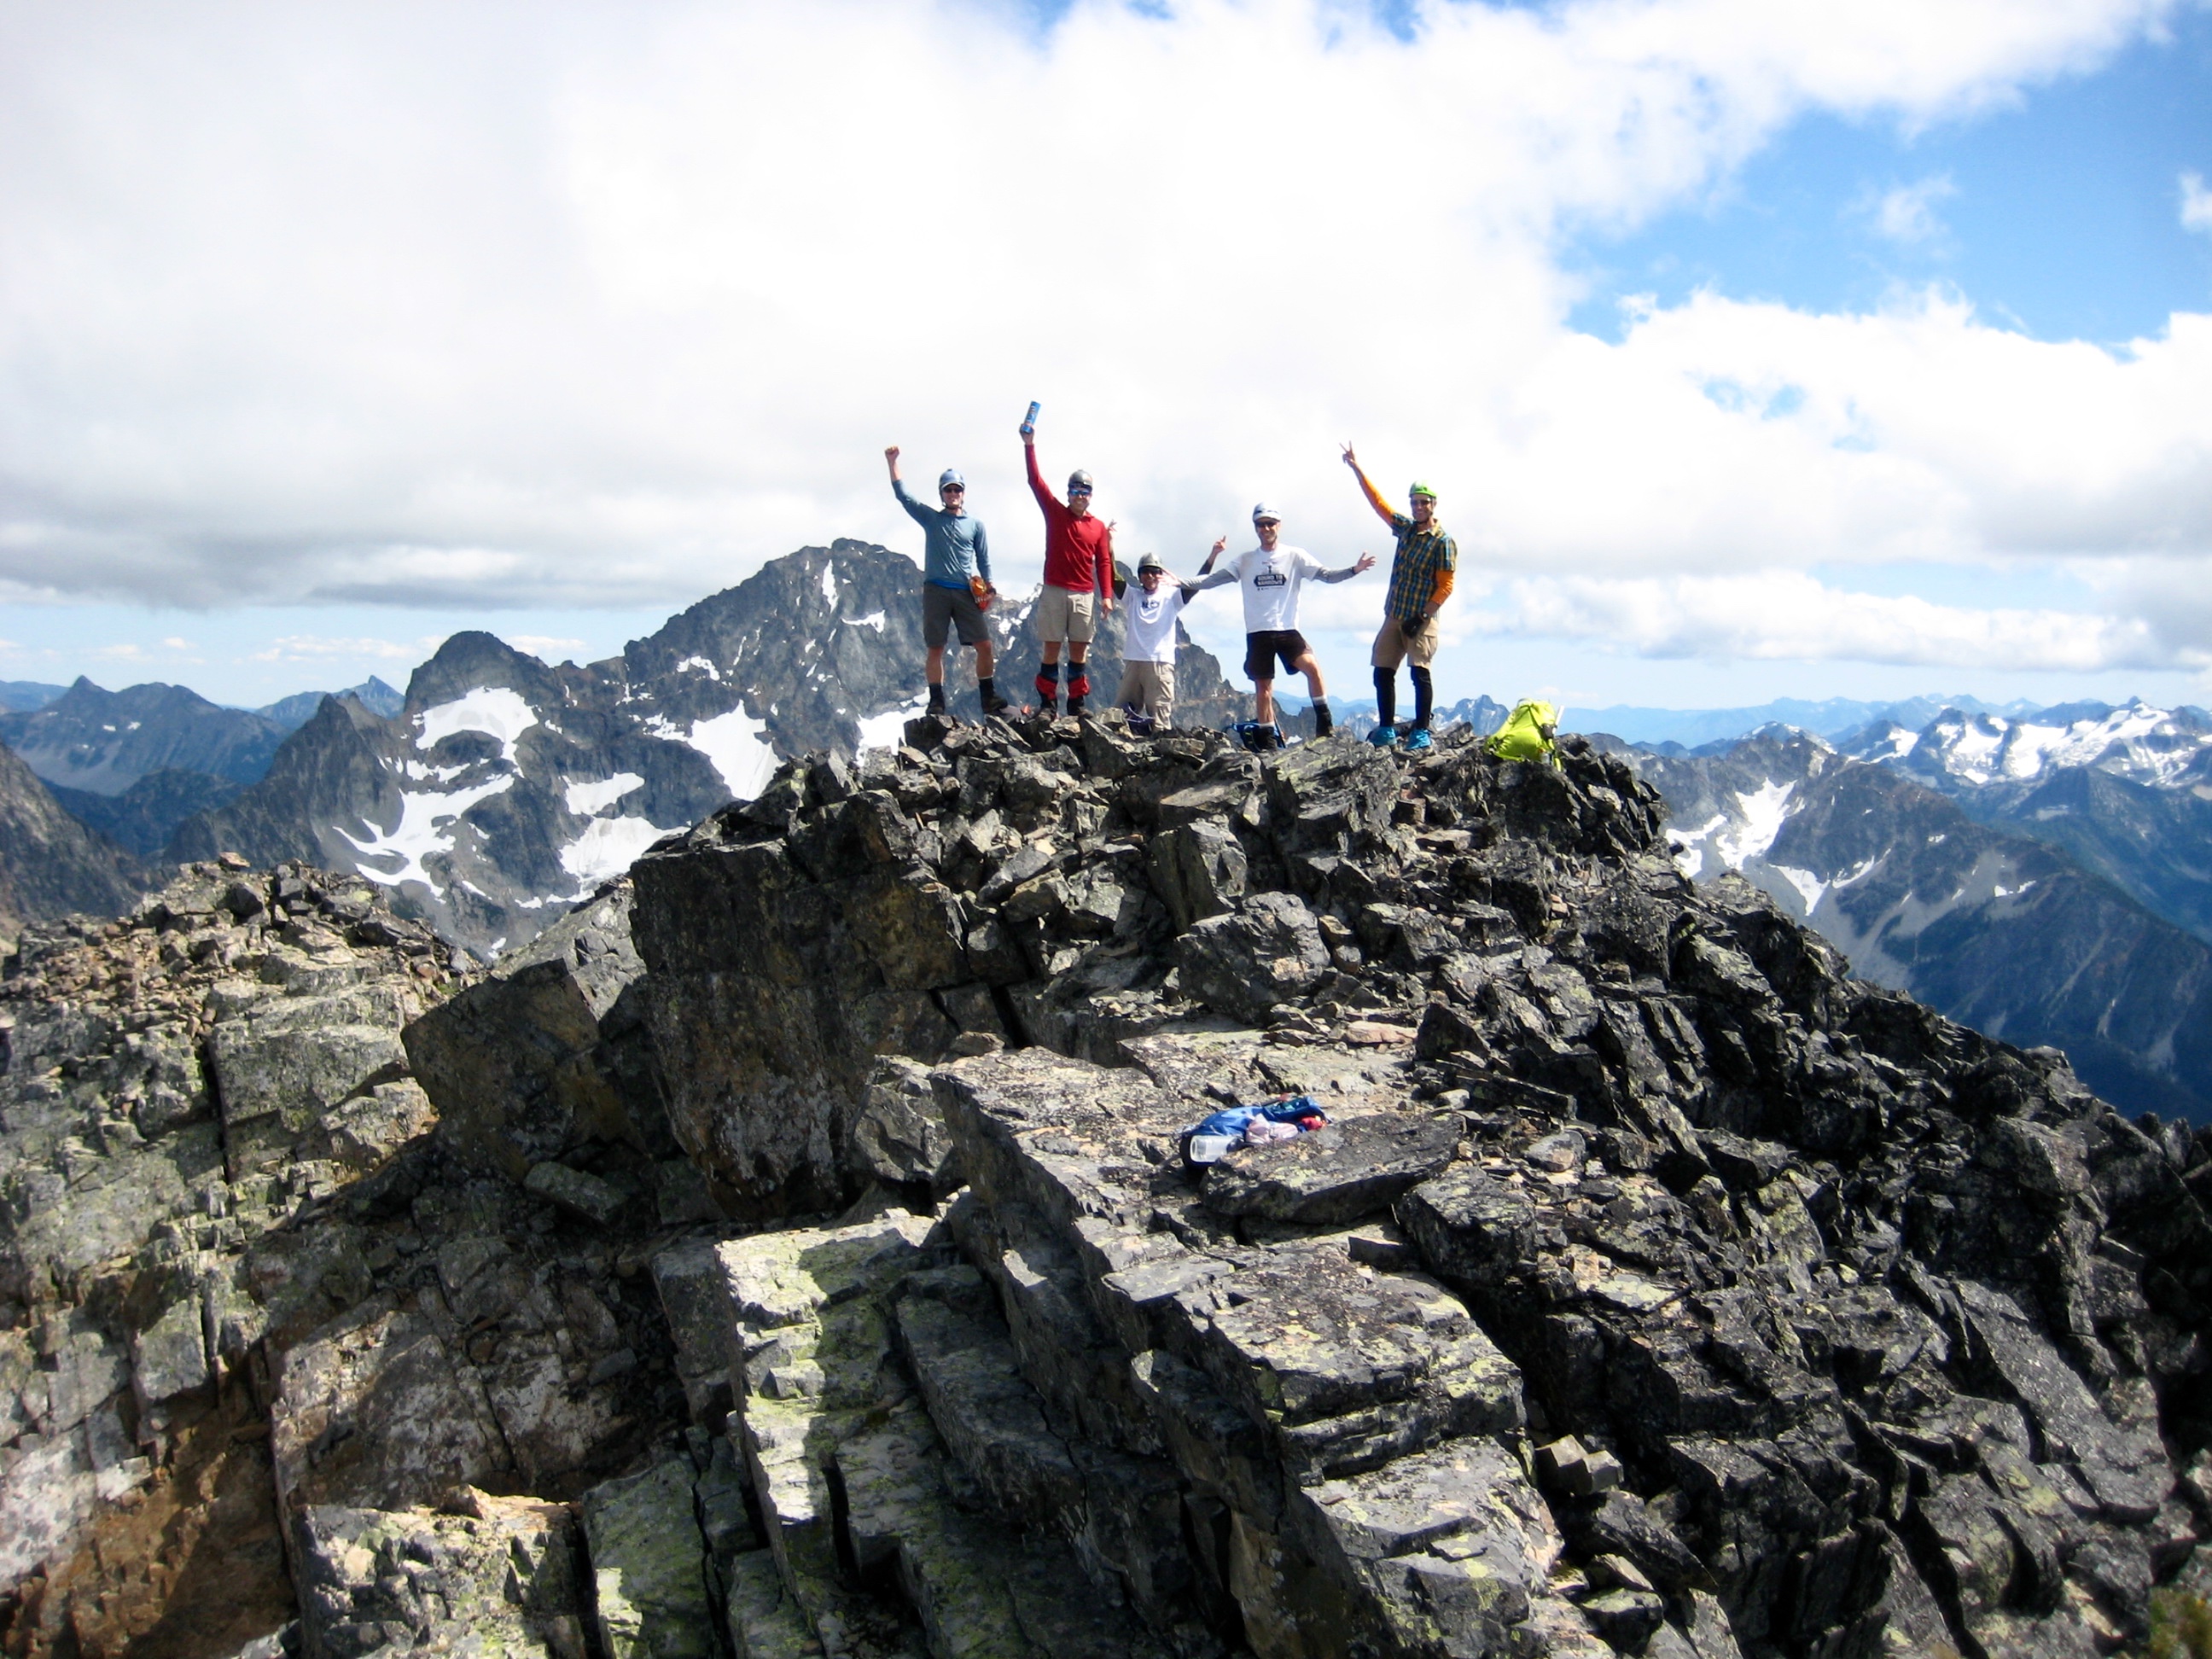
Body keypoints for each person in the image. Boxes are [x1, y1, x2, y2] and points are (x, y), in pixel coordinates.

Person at [1193, 504, 1375, 748]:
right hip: (1258, 632)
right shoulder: (1245, 560)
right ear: (1255, 528)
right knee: (1263, 687)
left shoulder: (1295, 556)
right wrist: (1176, 582)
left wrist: (1355, 570)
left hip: (1287, 629)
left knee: (1312, 668)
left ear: (1279, 525)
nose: (1266, 528)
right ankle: (1267, 738)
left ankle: (1324, 723)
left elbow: (1327, 576)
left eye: (1270, 523)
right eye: (1261, 524)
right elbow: (1210, 582)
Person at [1342, 445, 1456, 752]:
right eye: (1414, 502)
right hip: (1394, 613)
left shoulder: (1442, 542)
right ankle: (1387, 729)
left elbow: (1446, 585)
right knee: (1383, 670)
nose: (1418, 507)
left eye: (1423, 502)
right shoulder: (1405, 529)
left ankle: (1421, 731)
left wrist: (1422, 617)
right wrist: (1357, 469)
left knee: (1420, 672)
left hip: (1421, 617)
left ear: (1433, 505)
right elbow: (1378, 504)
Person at [886, 446, 1006, 718]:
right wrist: (892, 462)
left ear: (963, 493)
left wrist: (989, 585)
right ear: (942, 494)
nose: (953, 494)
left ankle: (988, 697)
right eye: (948, 490)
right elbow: (903, 496)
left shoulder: (975, 525)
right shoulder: (931, 518)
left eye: (957, 490)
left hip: (965, 591)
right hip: (936, 590)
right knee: (936, 647)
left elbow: (983, 557)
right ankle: (936, 701)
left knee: (985, 645)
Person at [1022, 427, 1115, 716]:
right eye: (1075, 490)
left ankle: (1076, 705)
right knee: (1051, 648)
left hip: (1084, 594)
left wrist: (1107, 595)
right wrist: (1030, 446)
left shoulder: (1098, 527)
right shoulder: (1055, 512)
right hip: (1055, 589)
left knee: (1079, 651)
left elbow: (1103, 562)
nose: (1080, 496)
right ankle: (1048, 704)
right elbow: (1035, 481)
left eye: (1085, 491)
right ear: (1068, 493)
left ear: (1090, 495)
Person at [1117, 553, 1198, 729]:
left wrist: (1212, 557)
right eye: (1145, 572)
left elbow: (1197, 585)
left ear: (1162, 575)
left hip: (1160, 663)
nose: (1150, 576)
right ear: (1139, 576)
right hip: (1134, 662)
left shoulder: (1172, 597)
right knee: (1119, 717)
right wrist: (1106, 545)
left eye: (1155, 571)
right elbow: (1112, 576)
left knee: (1159, 722)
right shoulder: (1132, 597)